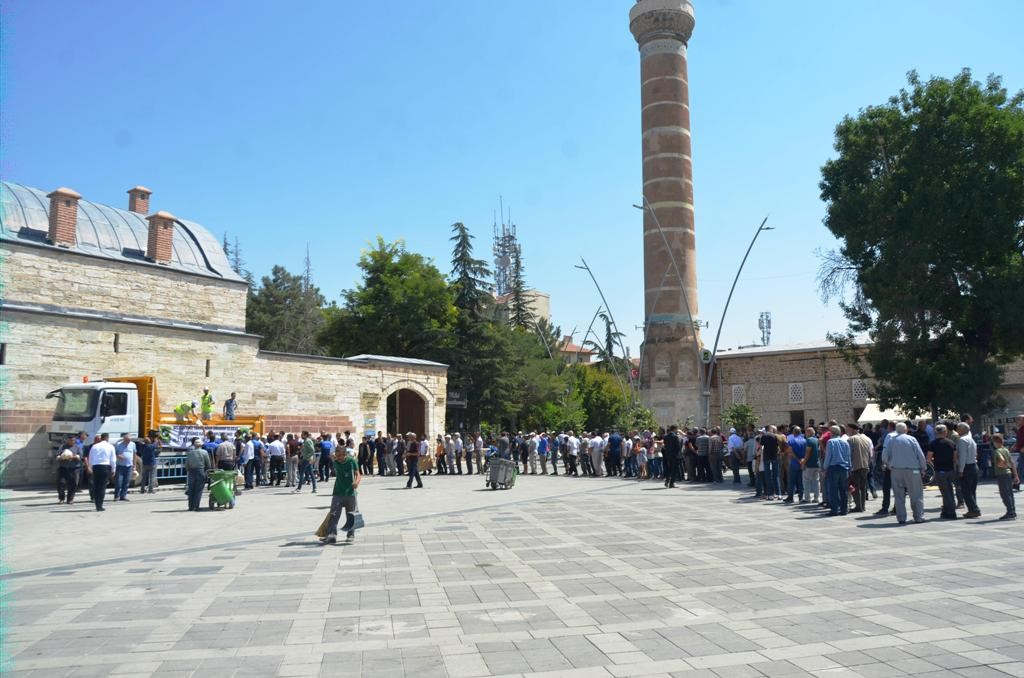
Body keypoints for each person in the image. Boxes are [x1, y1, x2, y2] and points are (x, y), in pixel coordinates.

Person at [882, 422, 928, 524]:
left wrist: (888, 465)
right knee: (916, 494)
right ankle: (918, 516)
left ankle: (901, 518)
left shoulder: (891, 440)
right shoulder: (912, 439)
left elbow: (885, 456)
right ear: (906, 429)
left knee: (898, 495)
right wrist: (923, 468)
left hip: (896, 470)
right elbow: (920, 455)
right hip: (913, 470)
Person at [322, 441, 362, 544]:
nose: (338, 457)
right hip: (338, 492)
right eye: (337, 455)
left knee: (351, 515)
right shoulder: (336, 461)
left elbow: (358, 474)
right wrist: (335, 450)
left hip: (350, 492)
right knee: (334, 514)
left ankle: (350, 534)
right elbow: (331, 455)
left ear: (345, 454)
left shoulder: (351, 461)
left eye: (340, 455)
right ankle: (332, 535)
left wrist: (356, 482)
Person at [928, 424, 959, 520]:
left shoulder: (932, 444)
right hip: (950, 469)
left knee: (945, 492)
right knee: (949, 490)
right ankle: (945, 511)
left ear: (936, 432)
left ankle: (951, 512)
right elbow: (955, 458)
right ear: (945, 432)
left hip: (940, 470)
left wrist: (934, 462)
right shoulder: (951, 443)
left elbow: (928, 458)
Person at [823, 426, 851, 516]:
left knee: (833, 490)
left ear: (832, 432)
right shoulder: (845, 442)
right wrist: (849, 467)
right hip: (844, 468)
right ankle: (844, 509)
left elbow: (828, 456)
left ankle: (834, 510)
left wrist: (825, 467)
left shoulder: (830, 442)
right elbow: (848, 456)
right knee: (843, 490)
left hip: (833, 467)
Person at [956, 422, 981, 519]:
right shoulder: (971, 439)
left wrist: (961, 470)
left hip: (967, 467)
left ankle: (974, 510)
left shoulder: (962, 440)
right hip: (974, 465)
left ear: (962, 430)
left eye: (958, 428)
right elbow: (975, 453)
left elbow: (962, 456)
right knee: (972, 490)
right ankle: (973, 508)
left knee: (966, 490)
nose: (957, 430)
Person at [992, 433, 1018, 520]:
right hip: (1008, 474)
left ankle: (1010, 512)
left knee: (1004, 494)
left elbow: (1002, 460)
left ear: (995, 442)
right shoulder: (1006, 450)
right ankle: (1013, 511)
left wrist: (1002, 465)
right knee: (1010, 493)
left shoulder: (997, 451)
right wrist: (1016, 475)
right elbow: (1012, 463)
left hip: (1002, 474)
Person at [847, 424, 872, 513]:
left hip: (855, 466)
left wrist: (849, 467)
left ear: (852, 429)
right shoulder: (866, 439)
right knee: (863, 487)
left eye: (848, 429)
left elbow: (849, 454)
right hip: (865, 466)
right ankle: (863, 506)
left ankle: (858, 506)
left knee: (855, 487)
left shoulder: (851, 439)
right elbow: (870, 453)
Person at [88, 433, 116, 511]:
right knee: (102, 486)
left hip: (96, 466)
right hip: (105, 467)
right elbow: (113, 459)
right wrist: (113, 469)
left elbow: (90, 457)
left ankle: (97, 504)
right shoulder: (110, 446)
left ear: (101, 438)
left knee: (96, 486)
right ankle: (99, 505)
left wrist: (90, 467)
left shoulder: (95, 446)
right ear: (107, 438)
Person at [185, 437, 212, 511]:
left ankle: (190, 507)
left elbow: (187, 464)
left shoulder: (190, 453)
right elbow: (208, 464)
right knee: (198, 490)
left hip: (191, 472)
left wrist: (188, 470)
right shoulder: (204, 452)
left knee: (191, 489)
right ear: (201, 445)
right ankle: (196, 506)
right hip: (200, 471)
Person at [56, 436, 82, 504]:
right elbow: (57, 456)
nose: (72, 441)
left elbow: (80, 456)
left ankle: (70, 499)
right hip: (63, 468)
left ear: (75, 440)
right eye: (70, 440)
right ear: (68, 440)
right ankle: (61, 498)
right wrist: (62, 457)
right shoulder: (62, 447)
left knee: (73, 484)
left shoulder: (78, 447)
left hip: (74, 469)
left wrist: (73, 457)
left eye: (73, 440)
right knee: (61, 483)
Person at [785, 426, 806, 503]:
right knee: (800, 481)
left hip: (794, 463)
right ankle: (801, 496)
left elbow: (790, 453)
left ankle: (790, 497)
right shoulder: (805, 441)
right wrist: (802, 461)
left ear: (794, 432)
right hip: (802, 463)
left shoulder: (791, 441)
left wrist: (797, 460)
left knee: (791, 481)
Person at [113, 433, 137, 501]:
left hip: (129, 466)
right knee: (118, 482)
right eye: (127, 440)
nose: (128, 442)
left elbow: (134, 455)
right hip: (120, 466)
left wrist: (134, 465)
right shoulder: (118, 444)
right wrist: (118, 456)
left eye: (129, 440)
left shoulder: (133, 444)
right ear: (124, 439)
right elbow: (114, 453)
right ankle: (116, 496)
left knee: (126, 482)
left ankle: (123, 496)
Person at [801, 426, 821, 504]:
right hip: (816, 464)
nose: (805, 433)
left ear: (809, 433)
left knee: (806, 482)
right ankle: (816, 498)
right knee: (816, 482)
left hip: (809, 464)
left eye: (806, 432)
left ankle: (807, 498)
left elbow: (807, 453)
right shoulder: (817, 440)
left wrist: (803, 463)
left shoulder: (809, 440)